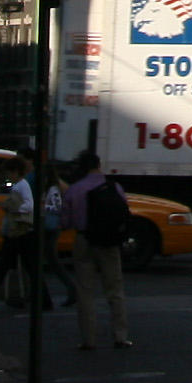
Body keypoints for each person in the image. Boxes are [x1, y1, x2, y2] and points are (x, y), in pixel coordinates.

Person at [61, 148, 135, 352]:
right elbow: (124, 212)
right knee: (115, 290)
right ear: (98, 165)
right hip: (109, 242)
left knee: (85, 291)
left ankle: (88, 339)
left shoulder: (75, 189)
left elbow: (65, 221)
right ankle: (120, 336)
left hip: (84, 240)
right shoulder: (114, 187)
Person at [0, 150, 61, 312]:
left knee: (9, 267)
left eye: (9, 173)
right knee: (27, 268)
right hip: (24, 232)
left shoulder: (23, 185)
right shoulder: (27, 182)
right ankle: (44, 301)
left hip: (21, 231)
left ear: (15, 171)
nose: (8, 177)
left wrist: (8, 206)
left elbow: (25, 206)